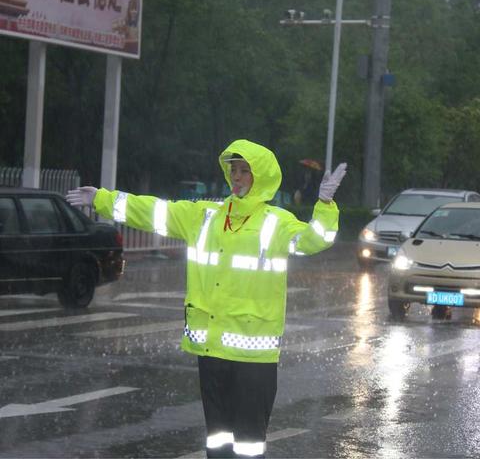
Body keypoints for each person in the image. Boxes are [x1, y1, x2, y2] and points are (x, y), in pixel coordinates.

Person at [66, 139, 347, 458]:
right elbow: (155, 211)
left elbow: (315, 240)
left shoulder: (275, 223)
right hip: (212, 350)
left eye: (245, 171)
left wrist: (324, 206)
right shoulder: (204, 216)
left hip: (253, 358)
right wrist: (103, 199)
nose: (237, 177)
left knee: (249, 444)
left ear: (262, 178)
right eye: (233, 170)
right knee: (217, 440)